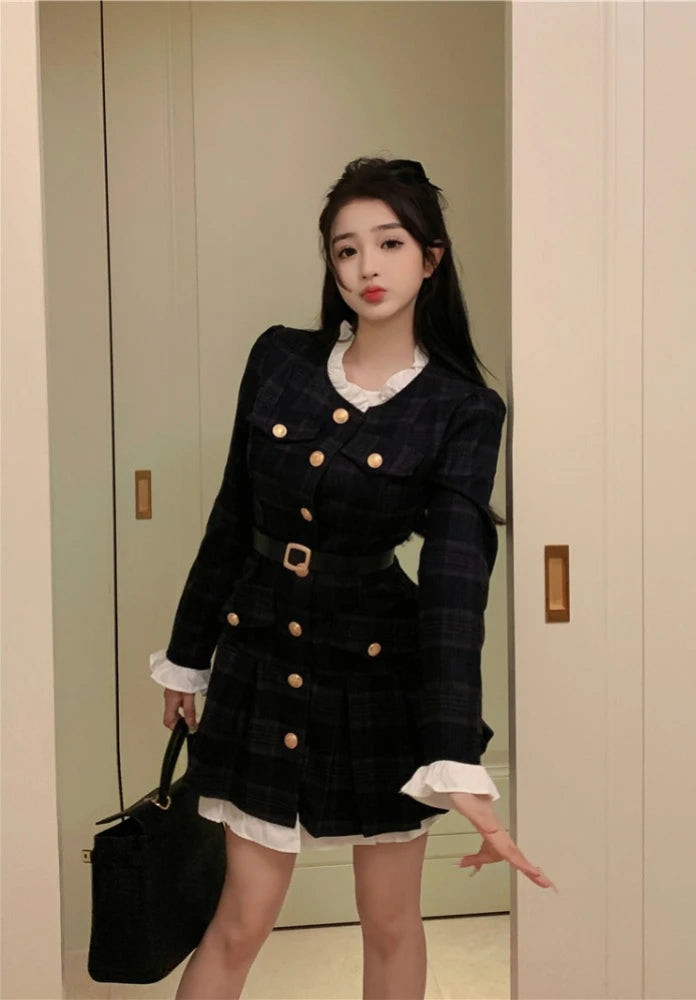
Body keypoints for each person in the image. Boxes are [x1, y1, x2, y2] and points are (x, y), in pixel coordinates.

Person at [149, 156, 556, 1000]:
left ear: (431, 258)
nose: (368, 266)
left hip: (379, 678)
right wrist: (188, 658)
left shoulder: (462, 408)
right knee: (240, 919)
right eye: (346, 249)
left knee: (391, 923)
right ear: (331, 266)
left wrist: (455, 753)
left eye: (390, 243)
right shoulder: (280, 358)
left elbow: (453, 584)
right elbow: (232, 516)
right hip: (261, 659)